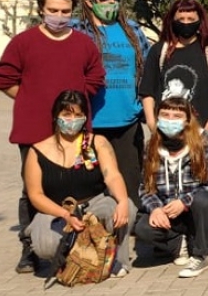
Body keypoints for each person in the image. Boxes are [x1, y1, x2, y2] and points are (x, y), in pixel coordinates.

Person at [0, 0, 105, 274]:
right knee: (31, 189)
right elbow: (5, 78)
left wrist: (77, 103)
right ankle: (29, 248)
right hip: (35, 130)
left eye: (65, 11)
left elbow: (96, 77)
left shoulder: (83, 43)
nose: (59, 16)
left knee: (78, 184)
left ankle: (79, 241)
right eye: (53, 10)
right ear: (41, 10)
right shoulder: (23, 42)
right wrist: (31, 97)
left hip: (74, 130)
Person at [23, 90, 136, 278]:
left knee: (127, 208)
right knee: (45, 243)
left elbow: (112, 176)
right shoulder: (37, 151)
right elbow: (35, 194)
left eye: (78, 115)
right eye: (66, 114)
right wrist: (65, 215)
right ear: (56, 116)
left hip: (94, 203)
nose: (72, 119)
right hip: (56, 210)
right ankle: (75, 257)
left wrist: (123, 201)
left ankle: (117, 259)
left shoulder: (97, 142)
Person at [74, 0, 151, 209]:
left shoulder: (132, 30)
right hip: (91, 121)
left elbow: (145, 69)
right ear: (89, 1)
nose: (110, 1)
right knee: (90, 182)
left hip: (127, 120)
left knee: (130, 181)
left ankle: (130, 228)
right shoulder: (77, 30)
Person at [135, 97, 208, 278]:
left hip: (200, 213)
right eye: (165, 115)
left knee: (202, 199)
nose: (170, 120)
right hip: (170, 214)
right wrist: (155, 209)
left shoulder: (206, 142)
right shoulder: (151, 146)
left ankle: (200, 255)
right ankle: (179, 243)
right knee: (142, 228)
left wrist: (185, 202)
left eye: (176, 116)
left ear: (187, 120)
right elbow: (146, 187)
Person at [139, 0, 208, 132]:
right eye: (181, 19)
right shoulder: (159, 51)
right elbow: (147, 90)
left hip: (201, 131)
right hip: (165, 129)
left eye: (191, 19)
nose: (186, 23)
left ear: (200, 21)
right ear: (172, 21)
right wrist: (152, 123)